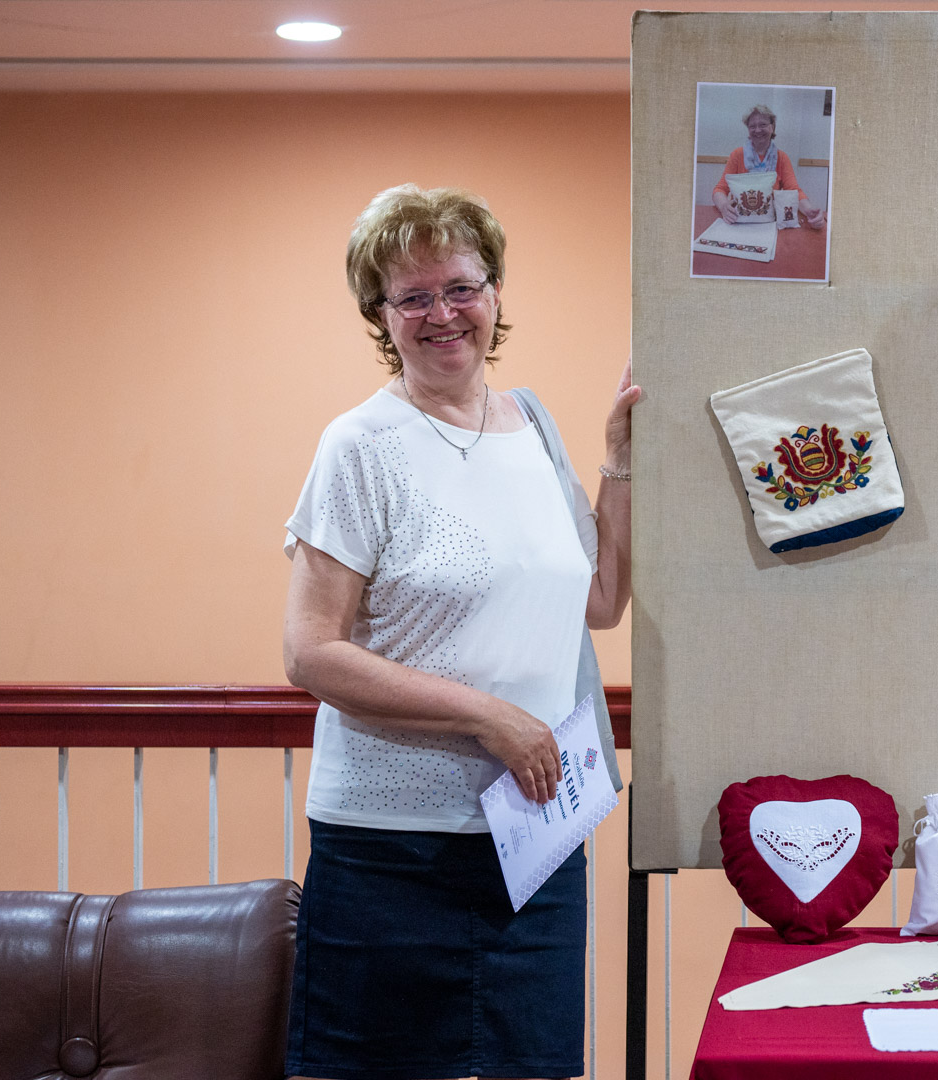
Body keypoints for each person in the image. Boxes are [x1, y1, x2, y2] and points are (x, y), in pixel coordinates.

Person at [280, 183, 637, 1080]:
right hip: (391, 850)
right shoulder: (360, 446)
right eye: (413, 297)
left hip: (533, 837)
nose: (442, 314)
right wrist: (489, 717)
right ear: (380, 314)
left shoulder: (534, 425)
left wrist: (619, 463)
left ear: (496, 292)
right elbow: (310, 652)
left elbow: (601, 598)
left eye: (461, 288)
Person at [711, 104, 826, 229]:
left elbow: (794, 191)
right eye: (752, 126)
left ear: (772, 127)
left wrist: (809, 210)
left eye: (763, 125)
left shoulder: (782, 158)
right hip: (738, 220)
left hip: (771, 224)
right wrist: (723, 206)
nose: (757, 130)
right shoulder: (737, 155)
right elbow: (719, 190)